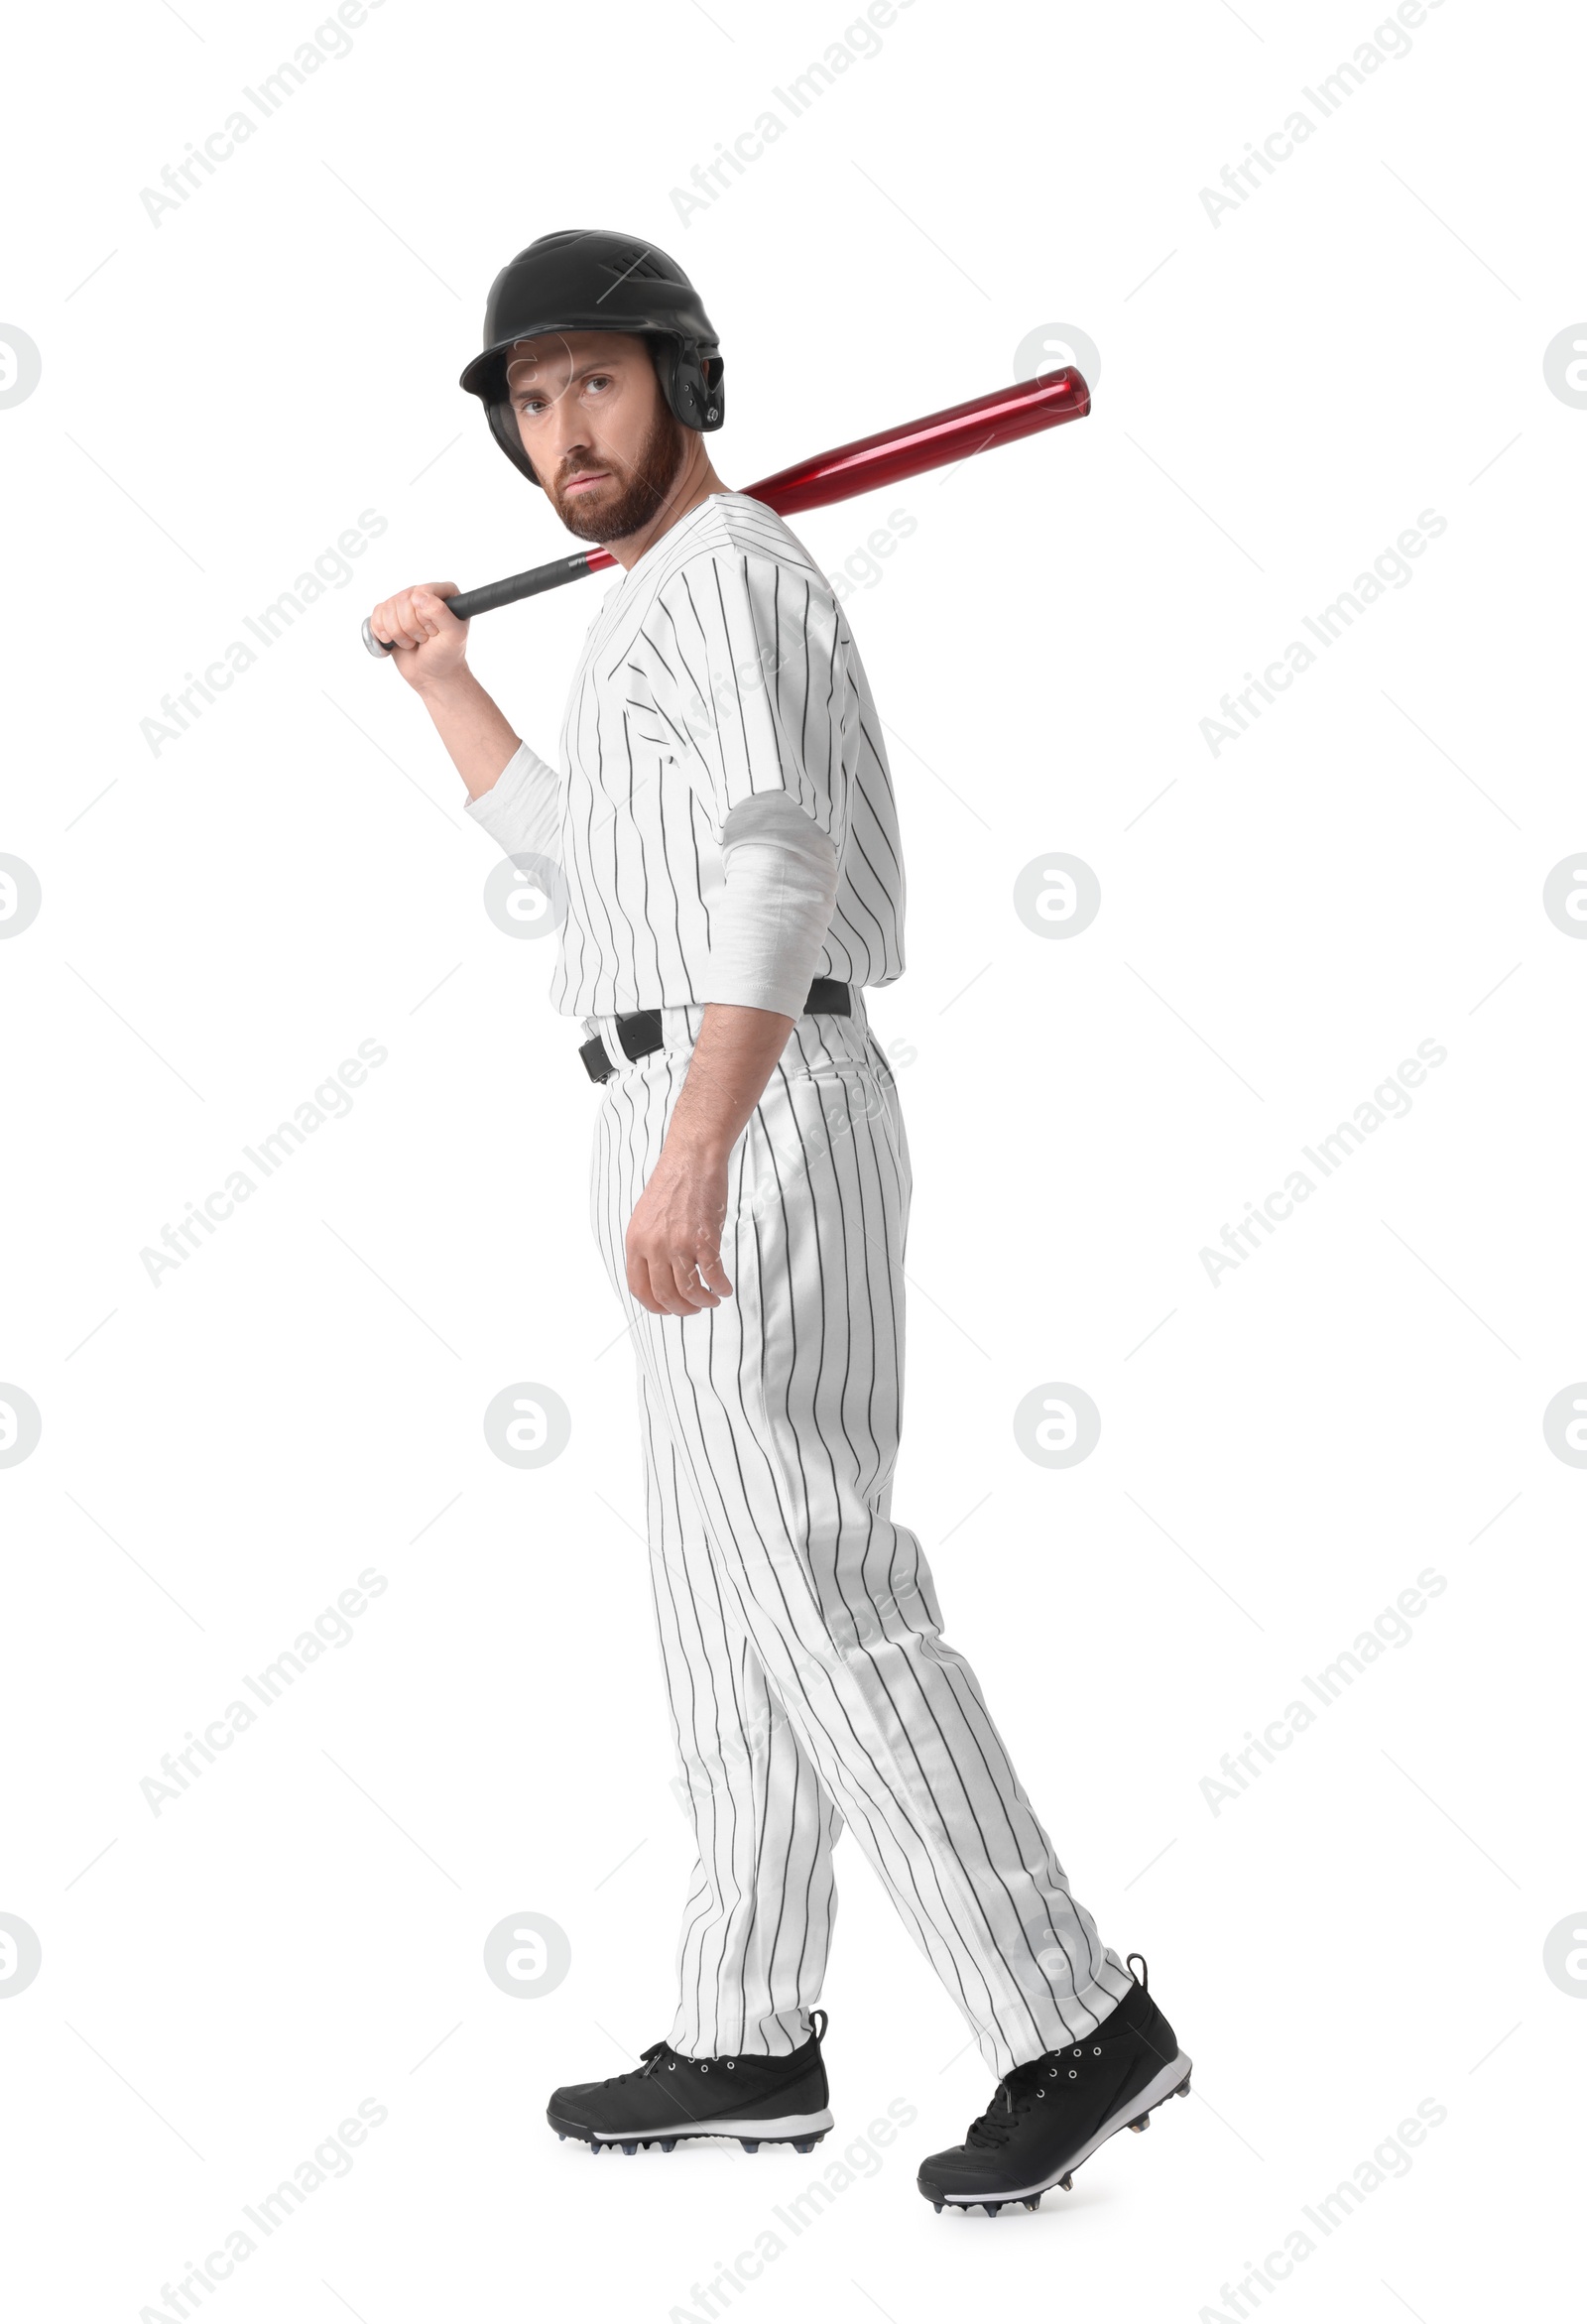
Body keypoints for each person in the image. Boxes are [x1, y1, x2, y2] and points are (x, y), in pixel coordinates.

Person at [367, 229, 1189, 2217]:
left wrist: (695, 1146)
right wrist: (446, 683)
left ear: (676, 382)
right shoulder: (654, 600)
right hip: (669, 1085)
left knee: (815, 1584)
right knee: (719, 1601)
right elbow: (590, 856)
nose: (563, 427)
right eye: (532, 398)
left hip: (749, 1094)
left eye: (596, 383)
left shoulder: (729, 575)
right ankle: (746, 2020)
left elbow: (776, 857)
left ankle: (1071, 2008)